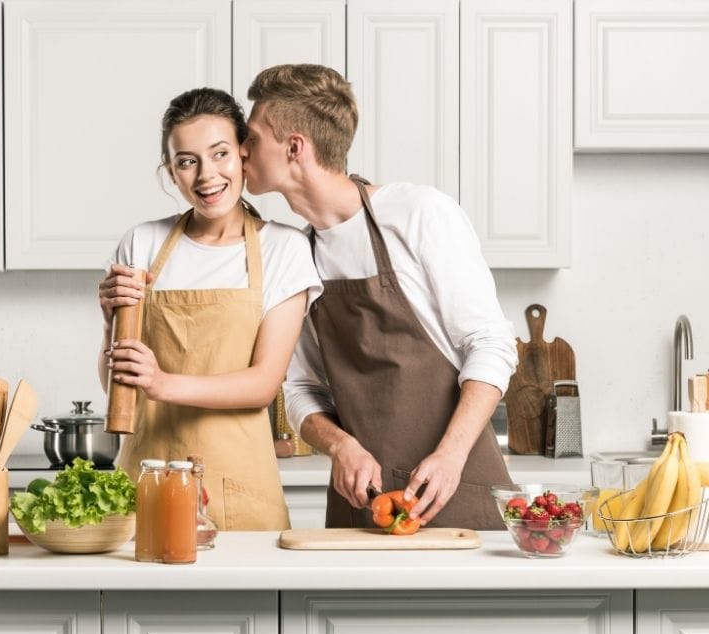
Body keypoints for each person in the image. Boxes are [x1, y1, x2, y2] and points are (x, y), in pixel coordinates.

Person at [241, 64, 518, 530]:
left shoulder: (418, 214)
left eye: (251, 138)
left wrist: (449, 456)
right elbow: (300, 389)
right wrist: (339, 446)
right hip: (361, 504)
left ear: (294, 148)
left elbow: (492, 343)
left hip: (455, 488)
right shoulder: (294, 253)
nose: (242, 151)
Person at [98, 87, 322, 531]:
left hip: (241, 484)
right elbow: (116, 387)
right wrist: (111, 326)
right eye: (187, 161)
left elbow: (262, 384)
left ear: (243, 153)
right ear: (171, 172)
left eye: (219, 154)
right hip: (146, 476)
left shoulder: (284, 248)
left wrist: (161, 383)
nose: (206, 175)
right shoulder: (141, 243)